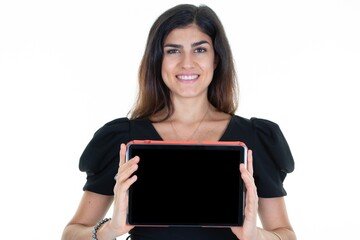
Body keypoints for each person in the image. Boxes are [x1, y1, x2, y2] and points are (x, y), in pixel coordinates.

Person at [61, 3, 296, 240]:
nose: (186, 63)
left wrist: (255, 236)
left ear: (216, 59)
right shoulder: (123, 139)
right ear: (158, 60)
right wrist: (111, 229)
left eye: (200, 50)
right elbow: (71, 234)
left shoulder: (255, 137)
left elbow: (285, 234)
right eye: (173, 51)